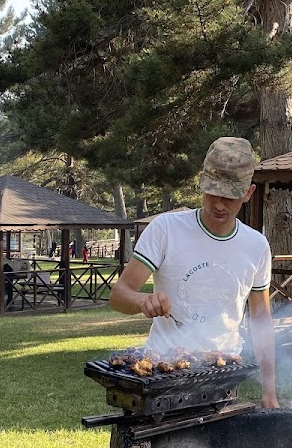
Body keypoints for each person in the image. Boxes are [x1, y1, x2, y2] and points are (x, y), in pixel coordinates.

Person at [109, 137, 279, 408]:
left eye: (230, 196)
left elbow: (261, 319)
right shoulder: (166, 229)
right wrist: (142, 301)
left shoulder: (256, 245)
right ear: (200, 181)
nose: (220, 205)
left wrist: (269, 391)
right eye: (213, 193)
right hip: (163, 375)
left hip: (223, 377)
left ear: (248, 193)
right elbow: (119, 295)